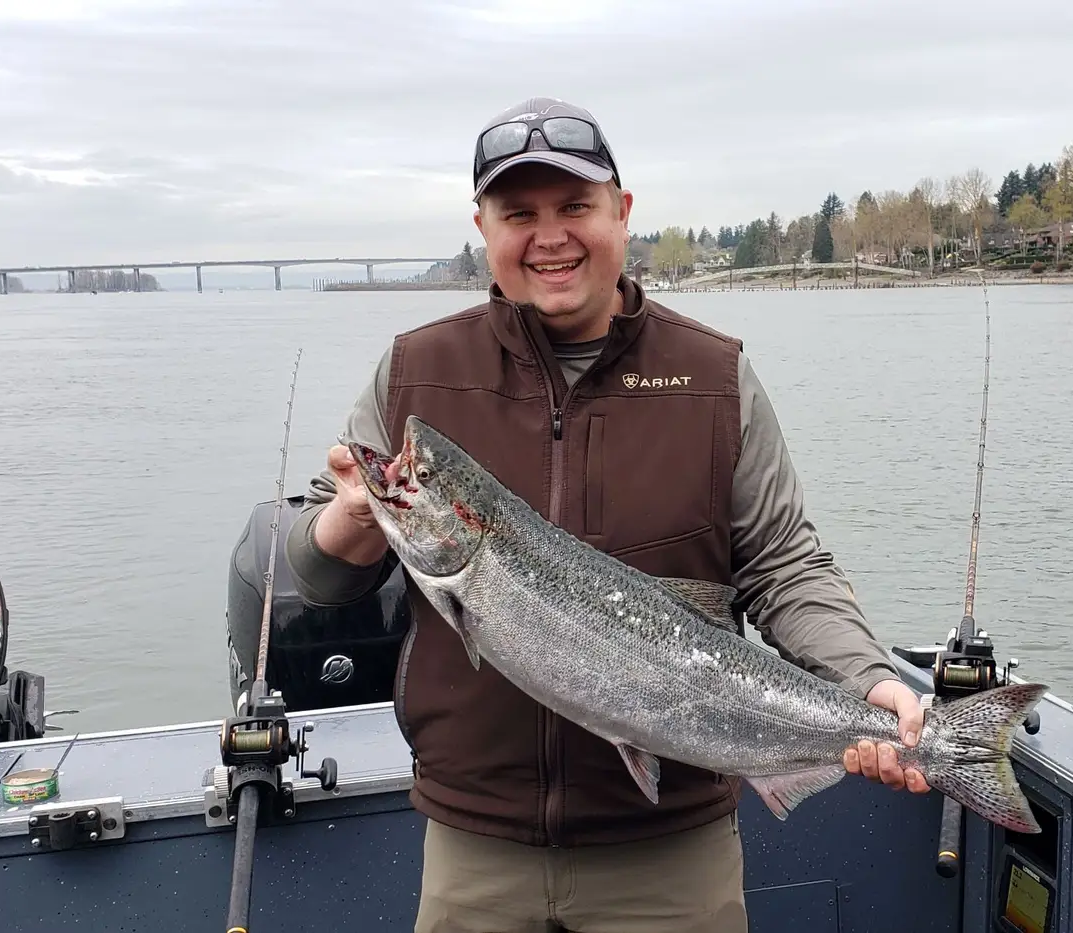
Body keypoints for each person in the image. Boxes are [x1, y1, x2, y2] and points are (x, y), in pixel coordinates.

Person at [285, 97, 928, 933]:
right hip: (476, 845)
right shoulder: (414, 375)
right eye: (519, 214)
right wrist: (355, 521)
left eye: (575, 208)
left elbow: (784, 566)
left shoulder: (714, 377)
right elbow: (313, 563)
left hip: (672, 855)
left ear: (622, 213)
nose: (549, 237)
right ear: (482, 226)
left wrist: (867, 680)